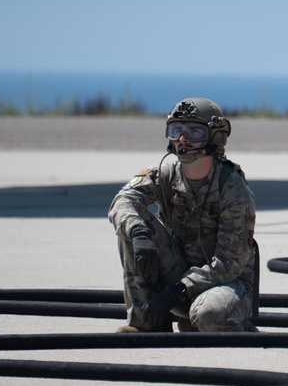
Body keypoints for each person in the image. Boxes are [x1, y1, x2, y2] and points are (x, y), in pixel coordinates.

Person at [108, 97, 258, 332]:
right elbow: (123, 201)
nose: (182, 139)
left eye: (194, 131)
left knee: (210, 316)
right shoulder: (166, 175)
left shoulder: (233, 188)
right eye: (176, 130)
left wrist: (176, 291)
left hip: (225, 283)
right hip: (177, 278)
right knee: (131, 225)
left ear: (214, 137)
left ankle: (226, 325)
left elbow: (230, 264)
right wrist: (138, 232)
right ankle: (146, 323)